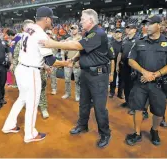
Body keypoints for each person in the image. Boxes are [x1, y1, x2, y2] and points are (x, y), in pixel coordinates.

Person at [39, 9, 115, 148]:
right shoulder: (88, 33)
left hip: (98, 76)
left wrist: (53, 43)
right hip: (86, 74)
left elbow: (78, 45)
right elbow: (83, 50)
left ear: (91, 20)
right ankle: (83, 125)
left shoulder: (98, 33)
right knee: (84, 103)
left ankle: (105, 134)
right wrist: (73, 59)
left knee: (99, 108)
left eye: (83, 19)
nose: (80, 21)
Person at [1, 6, 70, 143]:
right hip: (31, 72)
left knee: (22, 98)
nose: (52, 21)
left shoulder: (28, 29)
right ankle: (30, 134)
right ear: (46, 19)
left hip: (21, 68)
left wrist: (43, 64)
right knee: (32, 103)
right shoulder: (41, 34)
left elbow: (32, 52)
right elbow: (51, 60)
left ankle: (8, 125)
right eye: (51, 19)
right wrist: (65, 63)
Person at [125, 15, 167, 146]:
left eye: (150, 24)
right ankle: (137, 133)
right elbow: (131, 60)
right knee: (137, 109)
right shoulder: (139, 42)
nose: (146, 27)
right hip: (141, 82)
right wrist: (144, 72)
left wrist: (154, 75)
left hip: (159, 84)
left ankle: (154, 130)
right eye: (145, 24)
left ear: (159, 25)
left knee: (158, 111)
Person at [61, 25, 82, 101]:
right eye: (72, 29)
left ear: (78, 29)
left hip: (76, 62)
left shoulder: (81, 39)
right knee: (67, 79)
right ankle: (67, 93)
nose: (73, 30)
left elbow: (81, 51)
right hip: (68, 61)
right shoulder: (68, 39)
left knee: (77, 80)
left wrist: (79, 61)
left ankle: (77, 95)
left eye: (74, 29)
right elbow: (63, 49)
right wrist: (63, 60)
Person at [109, 29, 123, 99]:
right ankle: (112, 91)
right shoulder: (112, 43)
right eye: (116, 33)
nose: (118, 34)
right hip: (113, 62)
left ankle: (120, 93)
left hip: (122, 63)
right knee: (113, 77)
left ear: (121, 34)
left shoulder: (124, 43)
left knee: (121, 78)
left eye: (119, 33)